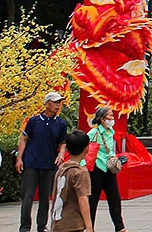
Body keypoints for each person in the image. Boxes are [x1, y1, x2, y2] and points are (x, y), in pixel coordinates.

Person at [17, 90, 69, 232]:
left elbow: (63, 142)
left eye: (59, 102)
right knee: (27, 197)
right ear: (47, 104)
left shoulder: (61, 124)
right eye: (55, 102)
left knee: (45, 197)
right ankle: (25, 227)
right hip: (31, 163)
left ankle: (42, 226)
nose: (58, 105)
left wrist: (61, 155)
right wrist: (19, 158)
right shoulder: (34, 121)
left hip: (49, 164)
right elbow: (24, 138)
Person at [85, 106, 127, 232]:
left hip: (109, 169)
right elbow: (85, 150)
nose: (112, 118)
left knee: (115, 199)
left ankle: (120, 227)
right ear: (102, 119)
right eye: (110, 116)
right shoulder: (93, 133)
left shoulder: (111, 132)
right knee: (93, 200)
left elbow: (110, 150)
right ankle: (89, 228)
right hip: (97, 169)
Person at [50, 130, 92, 232]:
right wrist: (89, 227)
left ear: (67, 149)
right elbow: (82, 199)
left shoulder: (61, 169)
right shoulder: (80, 172)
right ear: (87, 149)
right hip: (73, 224)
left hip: (58, 222)